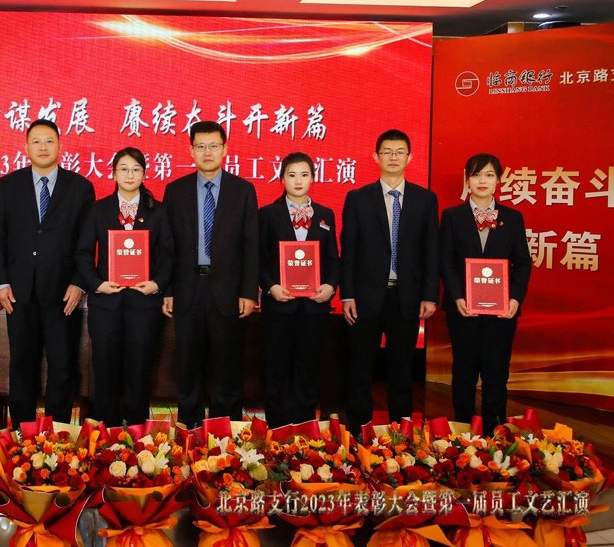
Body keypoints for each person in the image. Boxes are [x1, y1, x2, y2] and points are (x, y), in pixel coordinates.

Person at [0, 119, 95, 425]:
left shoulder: (80, 187)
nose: (43, 147)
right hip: (18, 292)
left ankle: (58, 432)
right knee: (21, 364)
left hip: (64, 294)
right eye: (36, 141)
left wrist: (79, 282)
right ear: (26, 147)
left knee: (62, 366)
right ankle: (21, 433)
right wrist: (1, 282)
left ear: (60, 145)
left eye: (49, 140)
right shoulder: (9, 185)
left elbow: (86, 241)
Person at [340, 129, 439, 434]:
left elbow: (431, 251)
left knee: (401, 371)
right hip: (365, 298)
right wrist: (347, 295)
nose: (393, 157)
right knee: (360, 369)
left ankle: (400, 436)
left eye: (399, 152)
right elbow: (349, 249)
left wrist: (429, 294)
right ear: (376, 156)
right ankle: (357, 434)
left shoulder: (425, 200)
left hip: (406, 298)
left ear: (410, 157)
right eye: (387, 152)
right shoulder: (358, 198)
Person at [162, 121, 258, 428]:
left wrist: (248, 291)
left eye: (213, 146)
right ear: (191, 150)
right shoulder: (175, 191)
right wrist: (167, 290)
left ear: (225, 149)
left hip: (228, 292)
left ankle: (224, 435)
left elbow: (251, 244)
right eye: (201, 146)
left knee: (227, 368)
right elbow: (167, 246)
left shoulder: (243, 190)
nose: (207, 152)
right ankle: (189, 433)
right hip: (187, 290)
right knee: (188, 366)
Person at [75, 147, 173, 426]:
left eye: (136, 169)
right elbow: (83, 253)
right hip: (106, 304)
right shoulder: (98, 209)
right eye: (124, 169)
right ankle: (106, 436)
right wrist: (97, 284)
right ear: (114, 173)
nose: (130, 175)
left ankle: (138, 437)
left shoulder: (158, 211)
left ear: (144, 174)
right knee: (105, 372)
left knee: (139, 372)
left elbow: (168, 254)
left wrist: (157, 283)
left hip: (144, 304)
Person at [440, 153, 531, 432]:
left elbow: (523, 262)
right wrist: (457, 296)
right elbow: (445, 260)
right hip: (463, 309)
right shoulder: (452, 216)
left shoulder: (513, 218)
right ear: (467, 179)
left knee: (496, 373)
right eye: (476, 174)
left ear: (498, 180)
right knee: (464, 372)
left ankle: (494, 435)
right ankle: (462, 433)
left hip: (502, 312)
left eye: (489, 175)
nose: (482, 180)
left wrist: (514, 298)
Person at [258, 152, 339, 427]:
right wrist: (271, 286)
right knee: (276, 368)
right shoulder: (268, 214)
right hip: (279, 305)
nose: (298, 180)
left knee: (309, 367)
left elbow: (333, 259)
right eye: (291, 175)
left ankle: (305, 429)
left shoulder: (325, 215)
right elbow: (259, 258)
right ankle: (277, 429)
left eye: (304, 174)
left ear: (313, 178)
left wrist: (330, 286)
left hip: (314, 306)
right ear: (282, 179)